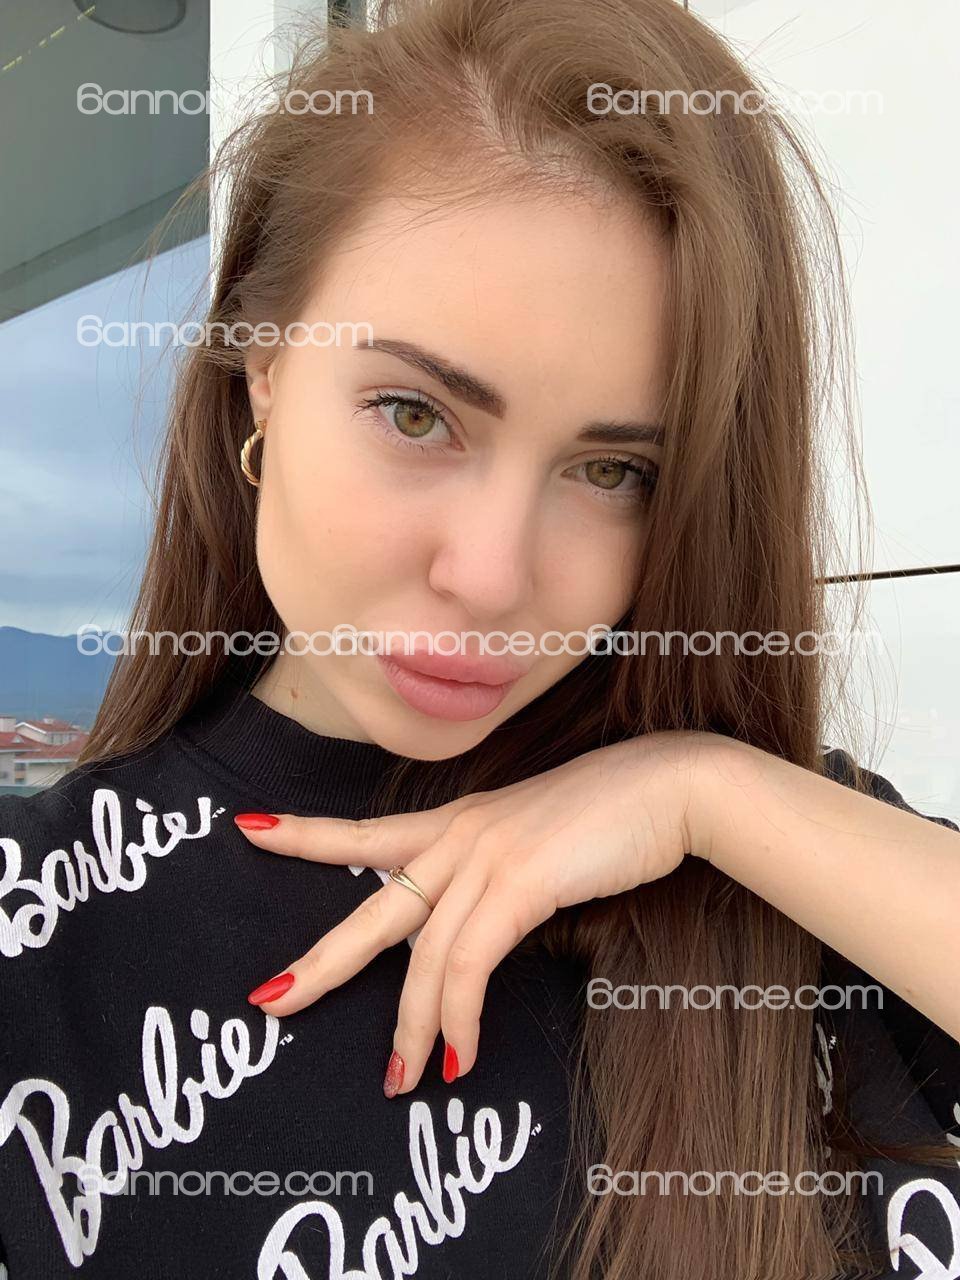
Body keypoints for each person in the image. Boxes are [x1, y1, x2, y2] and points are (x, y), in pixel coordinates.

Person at [1, 0, 958, 1277]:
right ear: (262, 367)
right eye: (415, 412)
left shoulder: (803, 854)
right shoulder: (41, 927)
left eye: (613, 470)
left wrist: (703, 791)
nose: (493, 576)